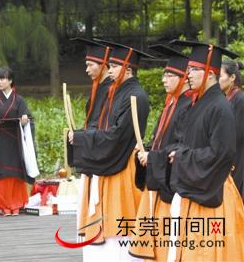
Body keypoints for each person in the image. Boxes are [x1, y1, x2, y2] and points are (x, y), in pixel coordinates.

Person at [68, 40, 151, 261]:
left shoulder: (136, 96)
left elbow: (117, 137)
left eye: (114, 66)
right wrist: (83, 137)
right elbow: (105, 129)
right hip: (109, 165)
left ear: (128, 68)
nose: (110, 69)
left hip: (122, 169)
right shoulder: (117, 92)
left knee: (120, 230)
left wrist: (83, 138)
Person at [164, 40, 244, 261]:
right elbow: (183, 140)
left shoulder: (221, 107)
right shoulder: (197, 104)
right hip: (193, 186)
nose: (188, 74)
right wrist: (176, 152)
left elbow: (223, 153)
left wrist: (182, 156)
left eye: (194, 70)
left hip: (213, 190)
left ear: (210, 73)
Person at [128, 44, 192, 260]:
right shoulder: (171, 104)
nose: (163, 80)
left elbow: (182, 145)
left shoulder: (189, 106)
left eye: (169, 75)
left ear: (183, 77)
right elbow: (161, 140)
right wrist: (146, 149)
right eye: (164, 75)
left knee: (168, 240)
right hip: (159, 176)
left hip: (172, 185)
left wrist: (153, 157)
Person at [0, 66, 36, 216]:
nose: (0, 82)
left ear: (10, 80)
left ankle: (16, 205)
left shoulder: (19, 100)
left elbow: (28, 119)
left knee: (15, 174)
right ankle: (4, 206)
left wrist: (25, 121)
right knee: (2, 173)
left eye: (3, 79)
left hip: (15, 141)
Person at [219, 60, 244, 199]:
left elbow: (237, 136)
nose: (217, 80)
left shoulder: (240, 100)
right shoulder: (227, 99)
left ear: (232, 78)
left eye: (220, 76)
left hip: (238, 162)